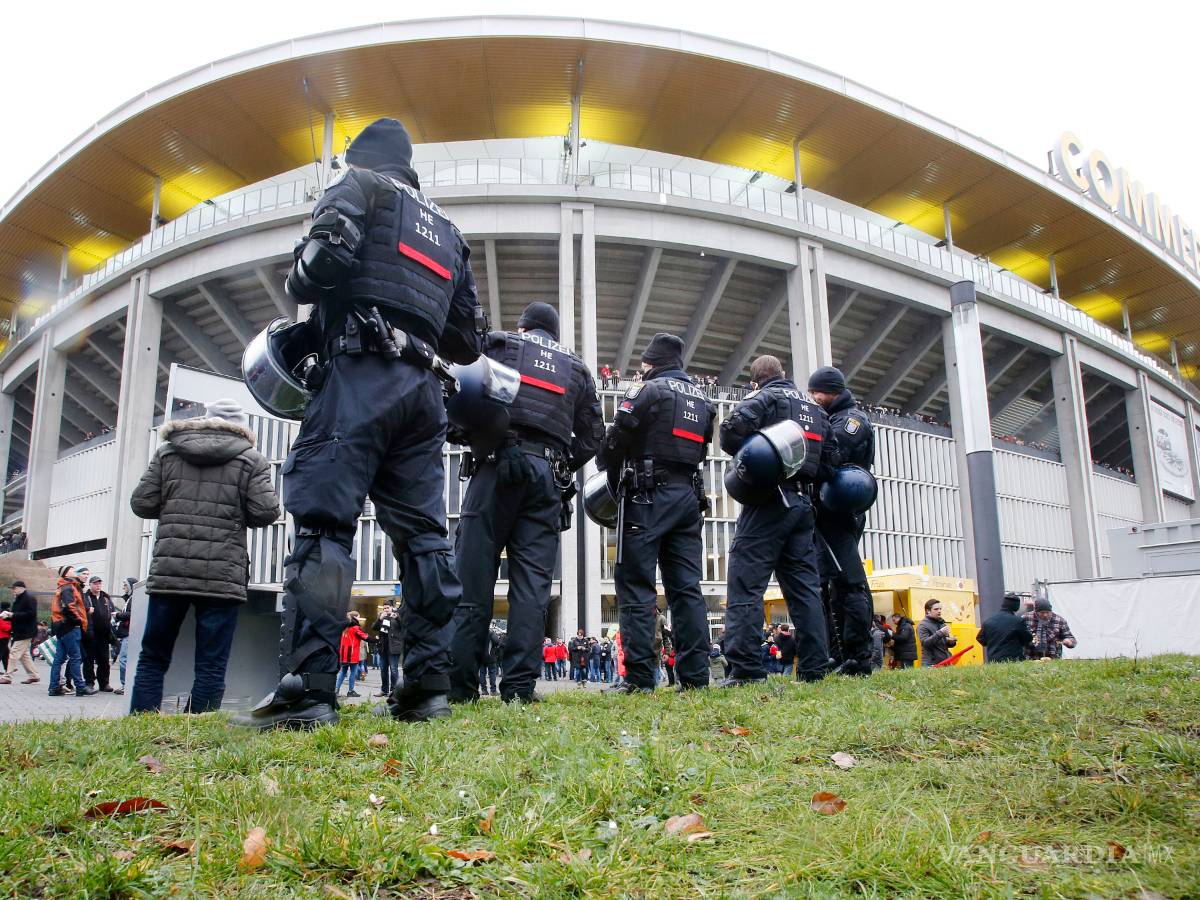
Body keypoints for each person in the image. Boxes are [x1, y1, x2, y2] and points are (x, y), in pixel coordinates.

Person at [236, 117, 484, 730]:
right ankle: (426, 688)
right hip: (424, 392)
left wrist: (299, 281)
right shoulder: (450, 232)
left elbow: (323, 258)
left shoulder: (360, 184)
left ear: (361, 155)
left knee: (323, 525)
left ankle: (308, 688)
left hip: (358, 374)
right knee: (425, 536)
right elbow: (467, 339)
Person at [447, 301, 603, 704]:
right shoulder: (577, 368)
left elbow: (462, 387)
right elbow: (593, 435)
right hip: (547, 477)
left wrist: (466, 436)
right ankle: (519, 688)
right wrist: (564, 462)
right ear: (553, 332)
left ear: (524, 325)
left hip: (496, 465)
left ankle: (461, 686)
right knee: (532, 588)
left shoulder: (500, 344)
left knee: (472, 577)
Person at [129, 399, 281, 714]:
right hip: (222, 575)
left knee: (153, 656)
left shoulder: (168, 453)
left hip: (170, 568)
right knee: (212, 662)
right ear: (242, 426)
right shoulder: (251, 460)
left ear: (205, 419)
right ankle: (199, 728)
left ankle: (140, 722)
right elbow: (265, 512)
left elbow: (142, 503)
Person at [599, 333, 716, 694]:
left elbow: (614, 443)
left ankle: (638, 679)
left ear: (651, 363)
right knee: (686, 589)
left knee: (636, 585)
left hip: (648, 496)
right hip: (687, 498)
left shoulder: (647, 391)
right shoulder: (705, 401)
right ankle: (696, 678)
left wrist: (615, 476)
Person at [720, 355, 836, 686]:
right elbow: (831, 462)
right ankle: (814, 667)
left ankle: (744, 669)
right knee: (804, 589)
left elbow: (729, 434)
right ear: (784, 374)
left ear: (756, 381)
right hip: (803, 507)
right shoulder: (816, 410)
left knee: (745, 583)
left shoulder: (764, 397)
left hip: (769, 500)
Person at [808, 365, 876, 676]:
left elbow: (831, 451)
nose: (812, 398)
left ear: (831, 391)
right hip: (826, 510)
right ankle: (838, 653)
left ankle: (859, 657)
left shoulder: (852, 420)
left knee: (850, 583)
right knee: (830, 584)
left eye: (816, 392)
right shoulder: (833, 416)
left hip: (841, 510)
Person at [48, 566, 92, 697]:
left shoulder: (62, 586)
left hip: (61, 626)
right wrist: (78, 620)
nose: (75, 572)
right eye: (72, 569)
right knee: (75, 657)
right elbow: (70, 607)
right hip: (70, 626)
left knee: (59, 658)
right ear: (66, 573)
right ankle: (80, 686)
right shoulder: (68, 587)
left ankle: (54, 687)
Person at [977, 592, 1033, 663]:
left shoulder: (988, 622)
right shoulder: (1018, 621)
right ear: (1016, 606)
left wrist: (993, 643)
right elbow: (1027, 639)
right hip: (1014, 661)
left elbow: (980, 638)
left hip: (993, 661)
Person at [82, 576, 115, 692]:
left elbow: (111, 611)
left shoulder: (105, 598)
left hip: (104, 634)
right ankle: (89, 682)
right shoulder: (86, 597)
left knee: (104, 660)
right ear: (90, 585)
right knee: (88, 659)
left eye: (99, 583)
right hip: (90, 634)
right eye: (95, 584)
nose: (98, 586)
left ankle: (104, 683)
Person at [6, 582, 39, 684]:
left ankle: (7, 677)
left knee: (14, 653)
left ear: (21, 588)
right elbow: (18, 614)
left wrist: (12, 615)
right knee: (24, 656)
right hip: (21, 631)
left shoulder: (29, 598)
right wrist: (9, 616)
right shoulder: (19, 598)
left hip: (25, 631)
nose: (13, 590)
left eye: (14, 588)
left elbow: (31, 614)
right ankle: (34, 675)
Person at [336, 613, 371, 697]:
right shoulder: (356, 628)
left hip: (344, 654)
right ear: (354, 617)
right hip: (352, 654)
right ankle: (350, 691)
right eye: (358, 616)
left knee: (343, 672)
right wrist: (376, 640)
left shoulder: (344, 628)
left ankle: (336, 690)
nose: (359, 618)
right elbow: (365, 636)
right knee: (353, 672)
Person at [371, 604, 402, 698]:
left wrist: (397, 618)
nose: (385, 610)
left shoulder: (396, 616)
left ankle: (394, 691)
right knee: (383, 670)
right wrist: (379, 619)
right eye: (384, 608)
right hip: (383, 648)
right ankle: (384, 690)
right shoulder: (381, 618)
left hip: (393, 647)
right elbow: (374, 628)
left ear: (391, 608)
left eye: (387, 608)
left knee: (393, 670)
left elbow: (404, 626)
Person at [112, 578, 135, 695]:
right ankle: (127, 684)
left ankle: (125, 685)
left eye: (125, 585)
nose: (123, 587)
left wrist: (118, 615)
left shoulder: (133, 599)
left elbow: (132, 614)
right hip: (128, 633)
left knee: (124, 659)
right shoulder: (130, 599)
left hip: (128, 633)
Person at [917, 598, 956, 666]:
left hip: (947, 662)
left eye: (940, 609)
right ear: (928, 611)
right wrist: (940, 633)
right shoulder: (922, 625)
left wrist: (951, 642)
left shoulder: (941, 623)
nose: (939, 611)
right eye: (936, 609)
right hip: (931, 664)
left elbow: (943, 644)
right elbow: (925, 643)